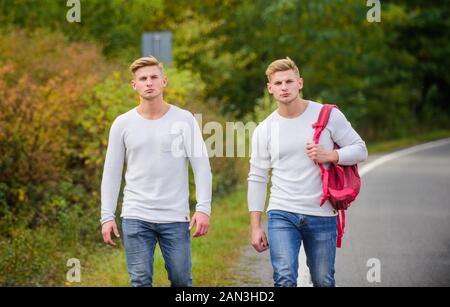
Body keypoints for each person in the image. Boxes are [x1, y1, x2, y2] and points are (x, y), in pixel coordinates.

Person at [247, 57, 368, 287]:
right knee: (284, 279)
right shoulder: (264, 130)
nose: (284, 87)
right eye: (278, 83)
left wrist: (331, 155)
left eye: (289, 81)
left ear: (300, 83)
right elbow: (257, 178)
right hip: (282, 212)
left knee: (323, 280)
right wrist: (255, 226)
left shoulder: (327, 115)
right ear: (270, 88)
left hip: (322, 213)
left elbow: (361, 150)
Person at [100, 56, 212, 287]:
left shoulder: (184, 119)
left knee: (181, 281)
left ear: (164, 82)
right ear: (134, 85)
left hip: (175, 216)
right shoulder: (122, 123)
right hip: (135, 215)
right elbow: (111, 173)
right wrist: (107, 215)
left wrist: (203, 209)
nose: (149, 82)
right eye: (143, 78)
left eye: (153, 77)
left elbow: (201, 167)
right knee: (140, 281)